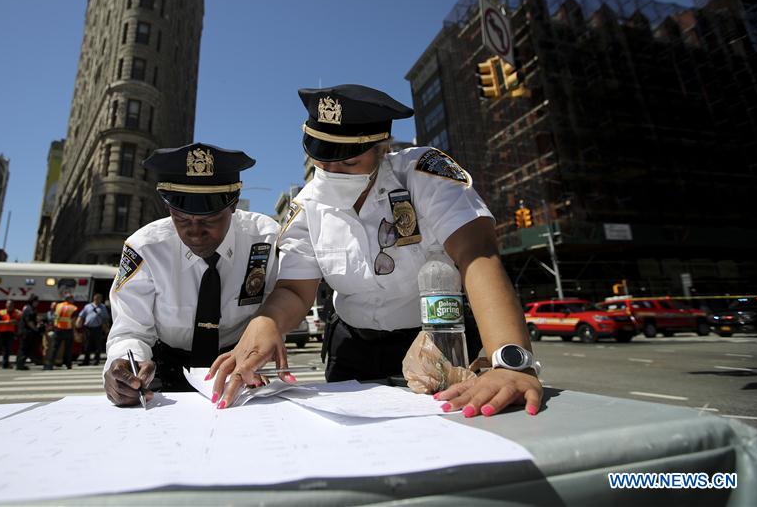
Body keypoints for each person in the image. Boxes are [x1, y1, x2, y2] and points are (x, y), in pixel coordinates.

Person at [210, 84, 543, 417]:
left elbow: (477, 253)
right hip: (353, 346)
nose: (333, 174)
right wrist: (268, 322)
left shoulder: (423, 173)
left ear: (382, 150)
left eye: (350, 162)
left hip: (436, 336)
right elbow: (296, 291)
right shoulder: (307, 206)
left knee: (447, 431)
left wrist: (510, 360)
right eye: (323, 161)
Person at [104, 142, 279, 406]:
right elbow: (131, 330)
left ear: (233, 206)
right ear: (169, 209)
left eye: (209, 220)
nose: (195, 232)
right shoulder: (145, 249)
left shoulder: (264, 240)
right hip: (166, 367)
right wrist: (128, 365)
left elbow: (277, 307)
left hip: (239, 363)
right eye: (182, 219)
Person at [44, 290, 78, 370]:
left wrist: (54, 326)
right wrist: (75, 332)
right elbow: (73, 321)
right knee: (68, 348)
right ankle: (68, 365)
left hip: (58, 329)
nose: (73, 300)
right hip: (68, 330)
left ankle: (49, 365)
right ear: (69, 299)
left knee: (54, 348)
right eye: (72, 298)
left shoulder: (58, 306)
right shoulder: (73, 308)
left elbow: (55, 317)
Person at [78, 293, 110, 366]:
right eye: (96, 298)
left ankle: (96, 360)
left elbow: (105, 318)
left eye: (99, 298)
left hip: (98, 328)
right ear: (94, 298)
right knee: (87, 345)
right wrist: (78, 322)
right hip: (88, 328)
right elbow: (81, 315)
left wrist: (106, 328)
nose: (97, 300)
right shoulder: (88, 306)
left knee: (97, 345)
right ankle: (86, 361)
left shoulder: (103, 307)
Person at [0, 299, 20, 369]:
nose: (9, 306)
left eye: (11, 305)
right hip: (0, 333)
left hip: (10, 332)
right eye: (8, 304)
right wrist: (6, 322)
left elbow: (20, 322)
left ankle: (5, 364)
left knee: (7, 349)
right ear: (6, 305)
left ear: (13, 305)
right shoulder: (1, 312)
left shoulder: (17, 313)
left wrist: (15, 322)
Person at [15, 295, 41, 370]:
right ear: (33, 301)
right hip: (26, 332)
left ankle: (21, 364)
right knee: (24, 348)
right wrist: (35, 329)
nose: (37, 303)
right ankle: (20, 365)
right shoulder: (29, 309)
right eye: (37, 301)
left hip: (27, 332)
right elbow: (29, 321)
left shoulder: (30, 308)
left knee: (27, 348)